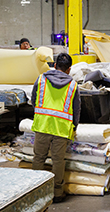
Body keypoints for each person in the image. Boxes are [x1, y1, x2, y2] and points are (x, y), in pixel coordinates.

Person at [31, 53, 80, 202]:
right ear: (69, 69)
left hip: (42, 124)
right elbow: (76, 109)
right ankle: (57, 194)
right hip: (61, 128)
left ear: (54, 65)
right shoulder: (73, 85)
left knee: (39, 158)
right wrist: (74, 126)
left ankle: (34, 192)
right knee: (58, 160)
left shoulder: (41, 79)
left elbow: (34, 100)